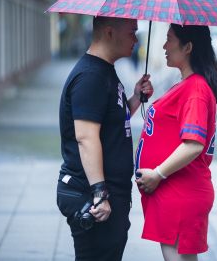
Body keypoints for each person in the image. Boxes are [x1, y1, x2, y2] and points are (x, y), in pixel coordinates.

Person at [56, 16, 153, 261]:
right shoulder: (91, 77)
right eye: (132, 32)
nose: (135, 38)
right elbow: (86, 137)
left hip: (109, 194)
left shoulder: (104, 71)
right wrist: (100, 194)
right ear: (109, 32)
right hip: (94, 197)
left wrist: (134, 98)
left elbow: (111, 120)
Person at [135, 23, 217, 261]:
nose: (164, 46)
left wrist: (158, 174)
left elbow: (194, 144)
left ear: (188, 47)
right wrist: (140, 98)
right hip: (175, 193)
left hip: (180, 192)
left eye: (170, 39)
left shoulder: (195, 90)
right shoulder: (188, 86)